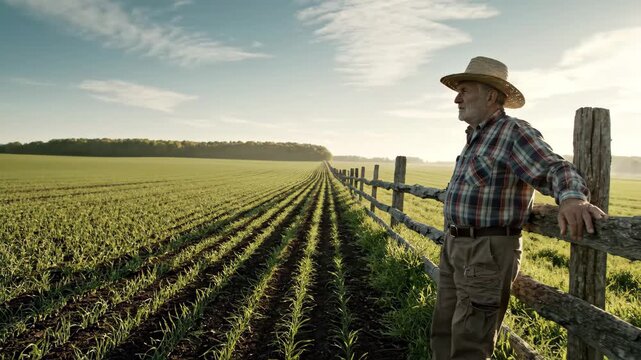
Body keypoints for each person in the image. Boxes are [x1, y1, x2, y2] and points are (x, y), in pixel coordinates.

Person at [430, 56, 608, 359]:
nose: (457, 99)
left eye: (464, 90)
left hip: (486, 249)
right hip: (455, 245)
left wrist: (573, 198)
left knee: (470, 340)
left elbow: (555, 168)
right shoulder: (476, 136)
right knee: (443, 330)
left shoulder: (513, 132)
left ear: (490, 95)